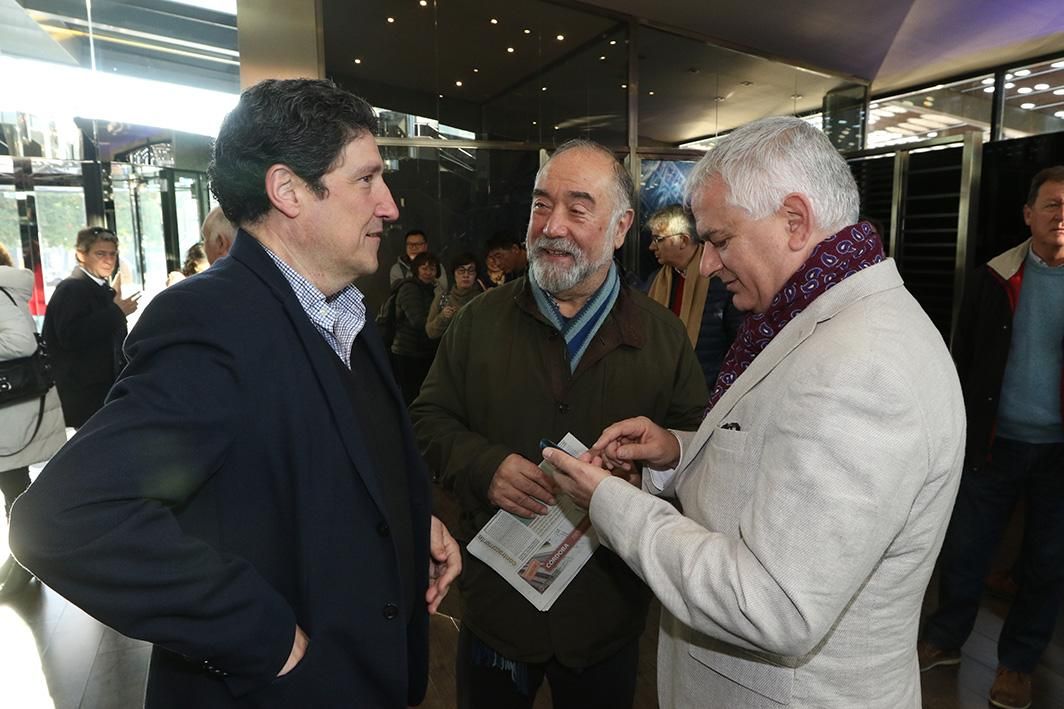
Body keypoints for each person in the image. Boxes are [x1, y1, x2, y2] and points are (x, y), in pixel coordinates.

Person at [10, 78, 460, 709]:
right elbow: (61, 519)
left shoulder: (341, 310)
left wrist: (413, 520)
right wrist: (262, 636)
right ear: (288, 191)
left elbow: (319, 463)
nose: (389, 205)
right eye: (367, 180)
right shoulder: (213, 321)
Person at [543, 116, 966, 709]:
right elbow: (780, 467)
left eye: (719, 239)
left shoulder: (861, 366)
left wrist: (613, 503)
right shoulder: (816, 319)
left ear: (794, 221)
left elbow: (773, 603)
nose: (709, 265)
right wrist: (677, 455)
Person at [411, 138, 708, 709]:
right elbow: (428, 418)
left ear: (621, 227)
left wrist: (652, 469)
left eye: (578, 208)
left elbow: (695, 449)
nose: (551, 227)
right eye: (540, 206)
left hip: (606, 613)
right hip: (496, 607)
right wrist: (484, 465)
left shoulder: (663, 337)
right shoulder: (477, 324)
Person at [918, 165, 1064, 709]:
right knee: (965, 550)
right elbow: (964, 359)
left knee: (1048, 563)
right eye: (1052, 204)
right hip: (994, 443)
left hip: (1059, 454)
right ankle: (946, 638)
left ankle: (1018, 664)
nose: (1061, 215)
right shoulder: (994, 277)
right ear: (1029, 215)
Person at [0, 244, 66, 601]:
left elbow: (19, 342)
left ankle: (26, 561)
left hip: (11, 413)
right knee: (14, 487)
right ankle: (22, 558)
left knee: (14, 487)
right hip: (14, 410)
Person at [42, 226, 140, 428]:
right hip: (84, 392)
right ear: (81, 255)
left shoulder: (98, 287)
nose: (109, 259)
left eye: (112, 254)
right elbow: (69, 336)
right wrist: (116, 313)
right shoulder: (72, 288)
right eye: (100, 254)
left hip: (97, 390)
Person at [645, 204, 742, 390]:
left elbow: (737, 343)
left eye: (658, 239)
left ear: (682, 240)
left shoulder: (721, 281)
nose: (651, 247)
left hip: (706, 391)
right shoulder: (655, 282)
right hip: (661, 390)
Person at [392, 251, 442, 405]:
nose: (428, 273)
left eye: (432, 269)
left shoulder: (432, 289)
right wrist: (440, 320)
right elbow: (418, 321)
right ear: (416, 269)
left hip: (424, 351)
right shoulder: (410, 288)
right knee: (412, 397)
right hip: (409, 352)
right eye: (424, 268)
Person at [426, 252, 483, 340]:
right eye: (461, 271)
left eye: (471, 271)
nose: (466, 275)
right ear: (454, 273)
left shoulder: (482, 298)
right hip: (449, 351)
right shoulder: (443, 298)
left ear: (476, 275)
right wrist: (443, 317)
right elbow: (431, 333)